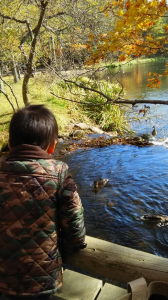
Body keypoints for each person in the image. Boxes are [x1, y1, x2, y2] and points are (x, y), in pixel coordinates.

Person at [0, 104, 86, 300]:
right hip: (41, 279)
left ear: (10, 144)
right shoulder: (60, 172)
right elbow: (74, 223)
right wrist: (72, 247)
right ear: (53, 146)